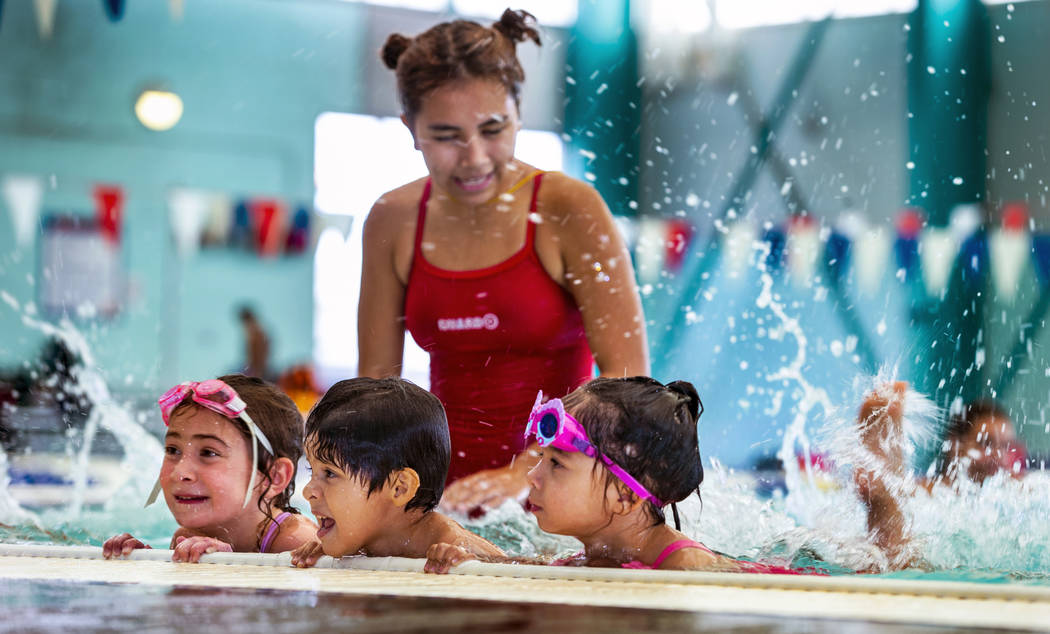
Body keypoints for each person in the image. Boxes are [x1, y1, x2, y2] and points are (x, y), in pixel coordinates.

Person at [358, 8, 649, 510]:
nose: (473, 158)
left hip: (565, 492)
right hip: (445, 495)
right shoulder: (394, 219)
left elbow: (631, 389)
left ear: (519, 110)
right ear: (410, 127)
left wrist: (529, 468)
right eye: (446, 136)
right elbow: (372, 402)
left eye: (493, 129)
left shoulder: (567, 208)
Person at [425, 377, 809, 574]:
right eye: (541, 458)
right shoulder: (595, 551)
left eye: (556, 464)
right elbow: (542, 571)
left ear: (625, 495)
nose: (532, 477)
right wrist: (474, 561)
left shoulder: (686, 566)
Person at [289, 377, 504, 567]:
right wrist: (328, 546)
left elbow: (515, 571)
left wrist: (471, 565)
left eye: (330, 473)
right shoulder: (362, 534)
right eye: (311, 469)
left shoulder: (451, 543)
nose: (308, 491)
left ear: (399, 488)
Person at [103, 374, 316, 562]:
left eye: (208, 453)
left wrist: (229, 565)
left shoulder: (297, 541)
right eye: (172, 450)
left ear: (273, 476)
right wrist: (145, 560)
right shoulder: (186, 537)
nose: (180, 473)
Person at [854, 383, 1028, 568]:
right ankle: (884, 495)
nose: (998, 456)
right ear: (955, 445)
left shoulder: (1016, 494)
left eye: (1005, 446)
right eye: (986, 444)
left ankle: (883, 487)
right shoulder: (928, 490)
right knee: (907, 555)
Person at [237, 305, 271, 380]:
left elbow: (256, 352)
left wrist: (256, 370)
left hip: (255, 368)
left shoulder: (254, 330)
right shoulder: (259, 329)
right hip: (258, 367)